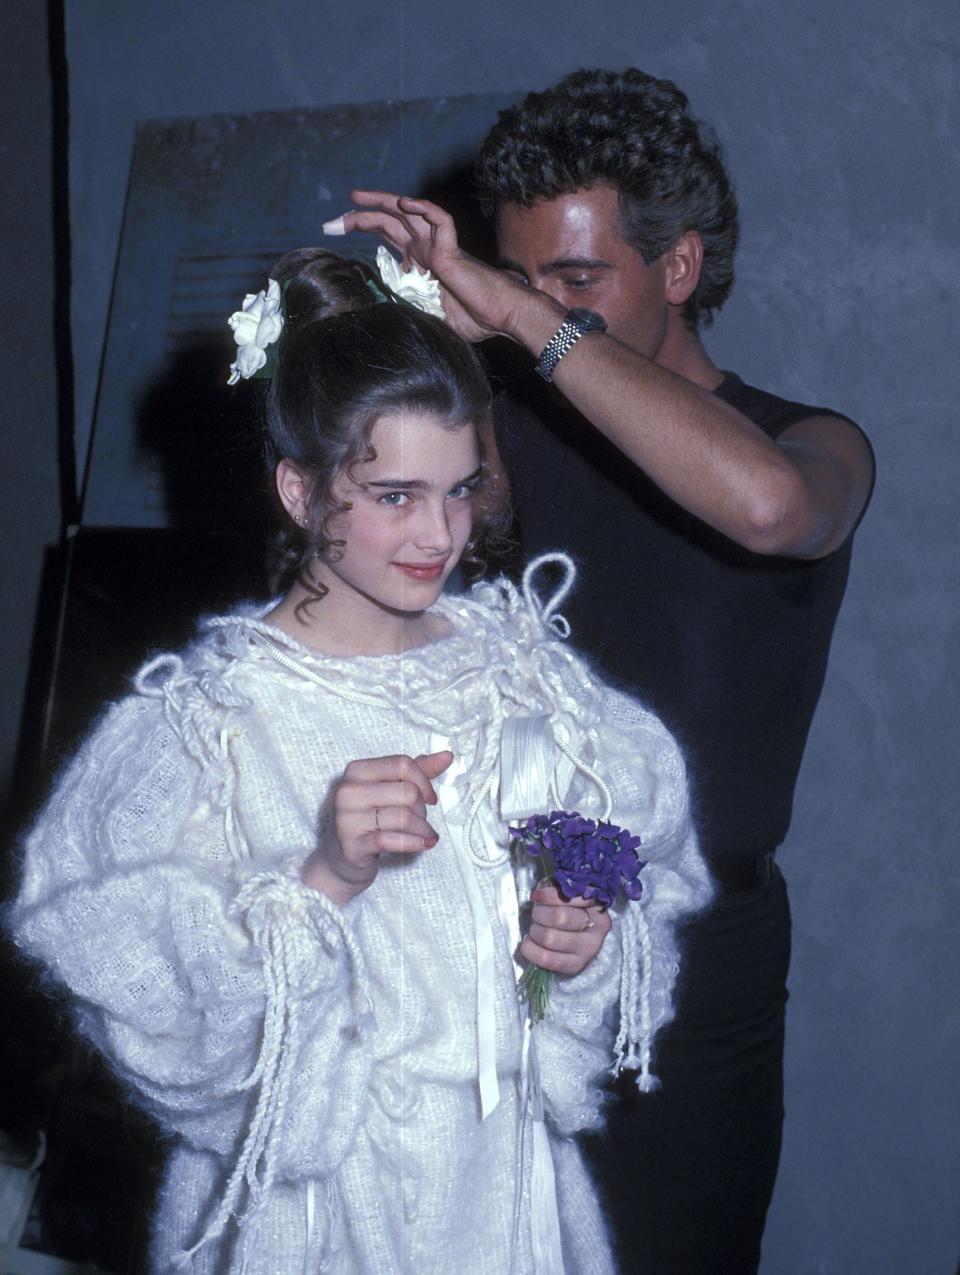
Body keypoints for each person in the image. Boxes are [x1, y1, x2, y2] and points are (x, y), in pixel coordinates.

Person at [7, 247, 711, 1274]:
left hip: (504, 1197)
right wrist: (318, 881)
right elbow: (113, 959)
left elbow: (644, 878)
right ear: (300, 490)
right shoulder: (214, 722)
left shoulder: (526, 680)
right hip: (317, 1215)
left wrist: (573, 945)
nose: (440, 533)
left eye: (462, 489)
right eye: (393, 495)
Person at [322, 67, 875, 1274]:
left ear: (678, 267)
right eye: (524, 278)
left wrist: (524, 322)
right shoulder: (505, 437)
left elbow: (775, 511)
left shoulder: (807, 441)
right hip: (493, 928)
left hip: (690, 972)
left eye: (577, 279)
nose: (540, 304)